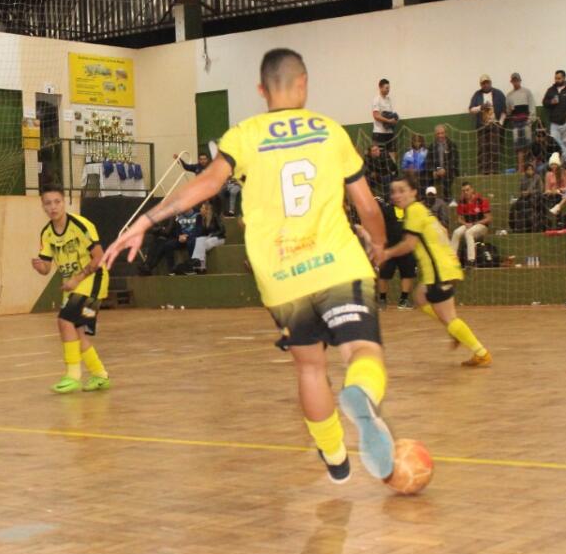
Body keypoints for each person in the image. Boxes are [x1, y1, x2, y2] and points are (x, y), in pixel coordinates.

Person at [104, 48, 397, 485]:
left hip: (281, 275)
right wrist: (379, 243)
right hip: (338, 262)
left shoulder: (243, 135)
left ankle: (335, 455)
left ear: (262, 89)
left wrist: (146, 220)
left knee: (310, 368)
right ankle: (361, 393)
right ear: (303, 83)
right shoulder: (330, 131)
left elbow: (206, 185)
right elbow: (368, 207)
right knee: (361, 351)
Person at [382, 175, 491, 367]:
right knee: (420, 297)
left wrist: (386, 253)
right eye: (393, 192)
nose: (396, 195)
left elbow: (409, 244)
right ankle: (453, 330)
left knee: (449, 317)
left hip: (439, 271)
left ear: (414, 192)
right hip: (446, 267)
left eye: (401, 190)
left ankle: (480, 352)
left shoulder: (414, 211)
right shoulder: (424, 210)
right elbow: (444, 231)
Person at [32, 184, 111, 394]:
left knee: (64, 320)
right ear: (43, 206)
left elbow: (99, 257)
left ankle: (73, 375)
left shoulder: (81, 225)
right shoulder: (47, 233)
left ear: (64, 202)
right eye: (48, 203)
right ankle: (100, 375)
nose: (53, 207)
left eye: (57, 202)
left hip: (94, 281)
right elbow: (46, 267)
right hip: (73, 286)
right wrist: (40, 267)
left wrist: (77, 279)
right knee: (77, 331)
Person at [371, 195, 416, 309]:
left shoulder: (409, 210)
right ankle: (382, 300)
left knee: (407, 274)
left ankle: (403, 300)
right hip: (389, 248)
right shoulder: (386, 210)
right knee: (384, 274)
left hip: (405, 248)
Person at [469, 75, 506, 174]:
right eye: (483, 83)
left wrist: (500, 122)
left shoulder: (499, 94)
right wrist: (481, 107)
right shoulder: (477, 95)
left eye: (487, 82)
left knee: (494, 149)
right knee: (482, 149)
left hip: (495, 125)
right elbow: (471, 109)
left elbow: (504, 110)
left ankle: (494, 171)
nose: (485, 85)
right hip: (482, 126)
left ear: (490, 82)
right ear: (480, 85)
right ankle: (483, 172)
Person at [451, 181, 491, 267]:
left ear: (472, 190)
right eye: (463, 191)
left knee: (468, 233)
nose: (465, 192)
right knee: (456, 232)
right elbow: (459, 219)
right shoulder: (462, 202)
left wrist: (475, 223)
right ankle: (452, 259)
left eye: (467, 190)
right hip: (469, 225)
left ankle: (471, 260)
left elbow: (488, 218)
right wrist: (465, 223)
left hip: (482, 226)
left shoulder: (481, 200)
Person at [543, 69, 566, 159]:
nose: (557, 80)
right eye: (556, 78)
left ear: (564, 78)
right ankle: (563, 160)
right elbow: (544, 102)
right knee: (554, 142)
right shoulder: (551, 90)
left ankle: (565, 163)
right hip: (554, 122)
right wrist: (551, 102)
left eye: (559, 78)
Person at [183, 200, 225, 274]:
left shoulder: (215, 216)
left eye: (202, 208)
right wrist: (202, 219)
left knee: (204, 244)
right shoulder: (202, 218)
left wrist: (212, 235)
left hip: (219, 238)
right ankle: (201, 267)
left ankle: (198, 265)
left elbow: (222, 230)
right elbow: (201, 233)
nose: (200, 209)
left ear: (207, 210)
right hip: (209, 238)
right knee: (199, 240)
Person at [507, 72, 535, 169]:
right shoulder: (509, 95)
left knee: (528, 144)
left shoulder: (527, 92)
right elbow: (508, 111)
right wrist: (510, 112)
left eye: (517, 80)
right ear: (511, 82)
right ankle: (521, 168)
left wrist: (530, 120)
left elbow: (532, 107)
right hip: (515, 123)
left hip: (526, 122)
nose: (515, 82)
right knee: (518, 147)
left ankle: (529, 167)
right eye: (513, 80)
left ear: (520, 80)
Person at [511, 162, 544, 233]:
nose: (530, 171)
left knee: (527, 204)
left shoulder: (537, 177)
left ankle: (533, 226)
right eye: (528, 169)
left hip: (535, 197)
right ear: (525, 170)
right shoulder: (523, 178)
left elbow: (540, 190)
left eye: (531, 169)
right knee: (516, 205)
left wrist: (530, 192)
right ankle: (518, 227)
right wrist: (523, 193)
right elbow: (521, 190)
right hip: (525, 197)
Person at [427, 124, 458, 196]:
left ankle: (448, 200)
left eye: (442, 133)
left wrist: (445, 169)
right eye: (438, 133)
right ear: (435, 135)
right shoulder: (432, 146)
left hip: (450, 170)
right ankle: (430, 199)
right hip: (437, 169)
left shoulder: (452, 145)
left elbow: (454, 161)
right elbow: (428, 161)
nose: (440, 135)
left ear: (446, 133)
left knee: (446, 180)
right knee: (426, 179)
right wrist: (434, 171)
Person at [371, 78, 399, 153]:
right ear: (380, 87)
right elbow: (376, 115)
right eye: (386, 88)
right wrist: (388, 121)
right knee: (379, 155)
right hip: (379, 133)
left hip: (389, 132)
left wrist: (394, 120)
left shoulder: (388, 99)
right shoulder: (376, 99)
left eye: (389, 88)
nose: (388, 90)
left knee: (391, 153)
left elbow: (390, 114)